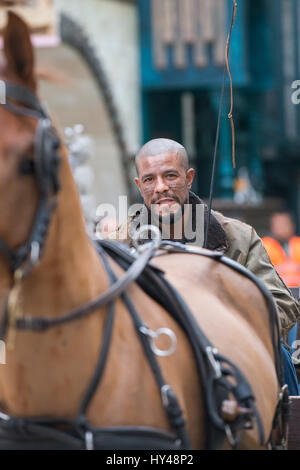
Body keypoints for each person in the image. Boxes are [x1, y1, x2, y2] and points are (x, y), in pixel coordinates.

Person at [108, 138, 300, 393]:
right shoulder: (119, 245)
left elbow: (281, 304)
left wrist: (223, 323)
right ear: (138, 185)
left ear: (189, 178)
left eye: (170, 175)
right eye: (149, 179)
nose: (161, 187)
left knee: (279, 356)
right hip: (147, 365)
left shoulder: (237, 237)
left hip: (232, 362)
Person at [262, 211, 300, 288]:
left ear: (292, 226)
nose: (279, 228)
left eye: (283, 224)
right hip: (276, 292)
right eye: (276, 225)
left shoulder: (298, 243)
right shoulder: (264, 245)